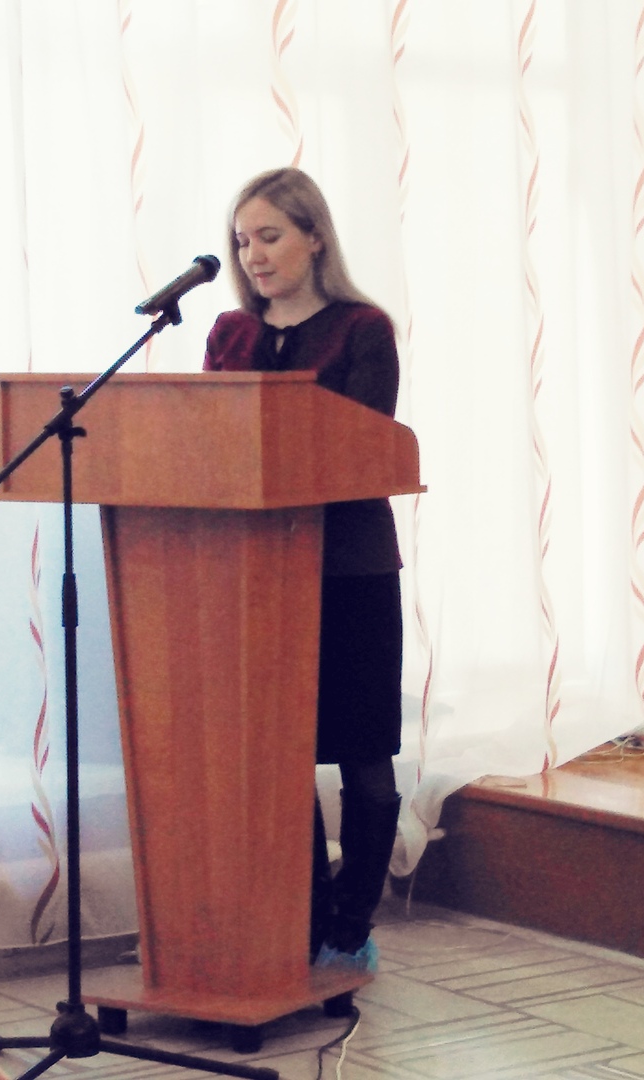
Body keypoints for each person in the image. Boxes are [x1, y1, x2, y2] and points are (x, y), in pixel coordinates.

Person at [203, 167, 403, 970]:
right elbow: (210, 442)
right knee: (282, 758)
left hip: (349, 570)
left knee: (363, 752)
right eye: (242, 240)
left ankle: (352, 925)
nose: (252, 255)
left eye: (270, 236)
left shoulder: (363, 329)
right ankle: (304, 922)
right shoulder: (229, 333)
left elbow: (361, 447)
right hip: (256, 575)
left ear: (315, 237)